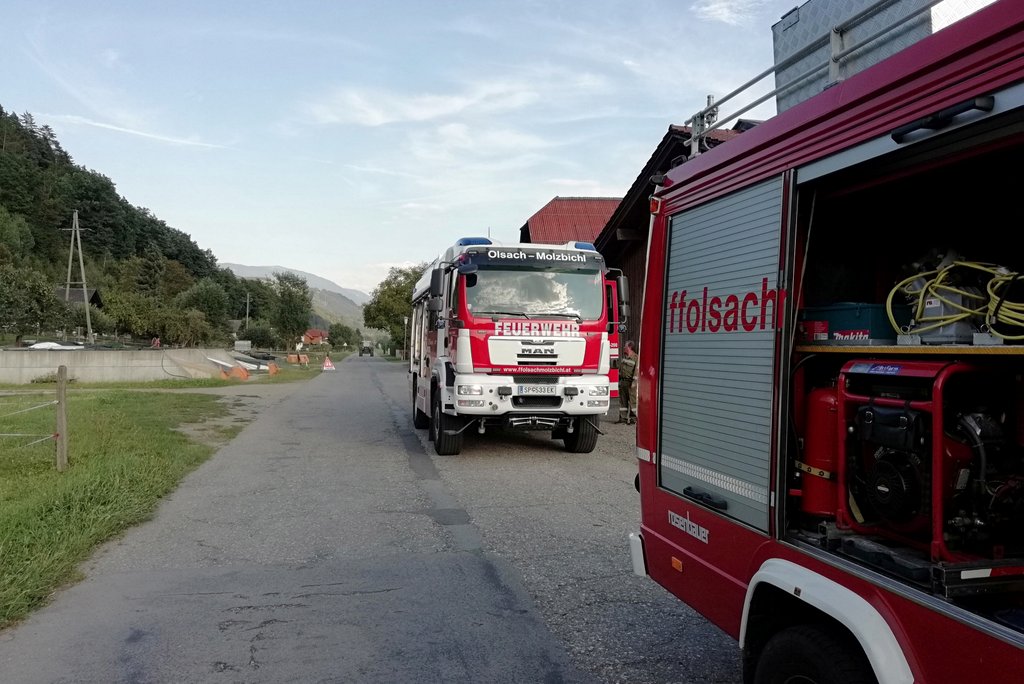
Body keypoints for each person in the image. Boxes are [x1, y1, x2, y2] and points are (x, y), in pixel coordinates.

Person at [617, 340, 638, 424]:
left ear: (629, 347)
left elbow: (636, 372)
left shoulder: (636, 358)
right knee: (623, 401)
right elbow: (621, 370)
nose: (624, 348)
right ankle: (623, 418)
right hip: (623, 383)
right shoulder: (625, 358)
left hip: (631, 383)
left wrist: (634, 383)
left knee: (633, 401)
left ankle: (633, 419)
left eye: (625, 346)